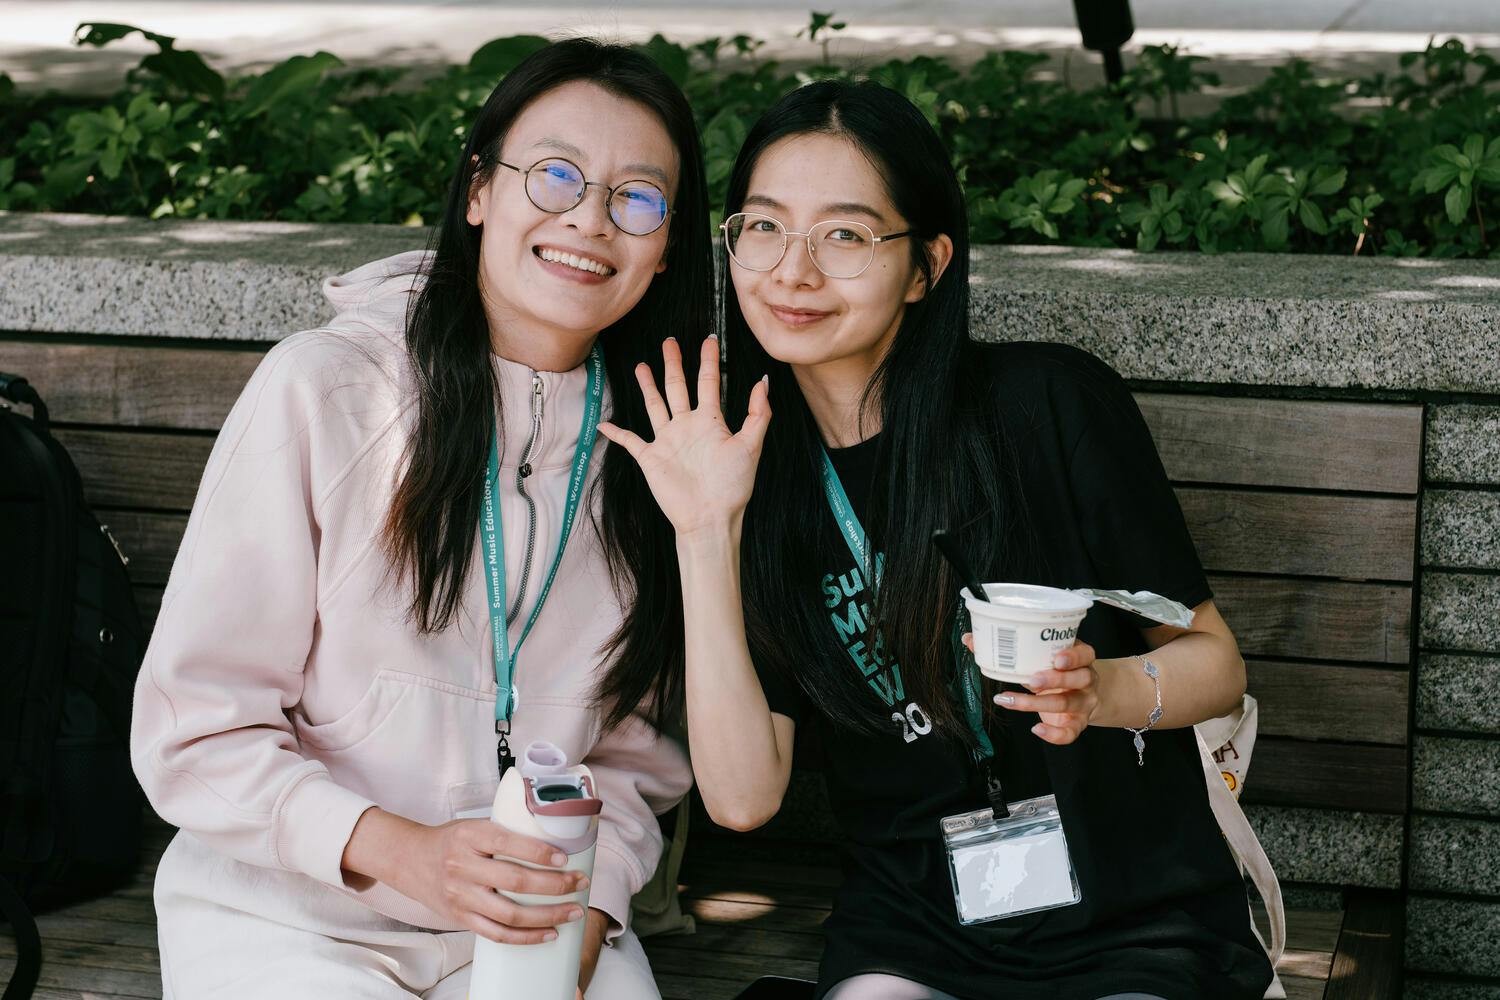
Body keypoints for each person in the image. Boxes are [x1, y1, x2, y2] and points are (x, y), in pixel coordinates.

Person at [598, 80, 1277, 1000]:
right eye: (762, 226)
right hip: (913, 922)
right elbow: (744, 797)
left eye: (844, 235)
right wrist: (705, 530)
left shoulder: (1047, 408)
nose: (791, 271)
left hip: (1134, 910)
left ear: (926, 265)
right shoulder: (747, 473)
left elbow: (1216, 663)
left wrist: (1103, 691)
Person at [130, 39, 711, 999]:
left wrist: (586, 920)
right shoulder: (326, 390)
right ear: (480, 189)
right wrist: (398, 852)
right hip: (290, 916)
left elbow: (636, 762)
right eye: (556, 175)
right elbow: (195, 729)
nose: (590, 220)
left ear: (666, 244)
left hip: (538, 924)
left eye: (636, 197)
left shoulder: (655, 443)